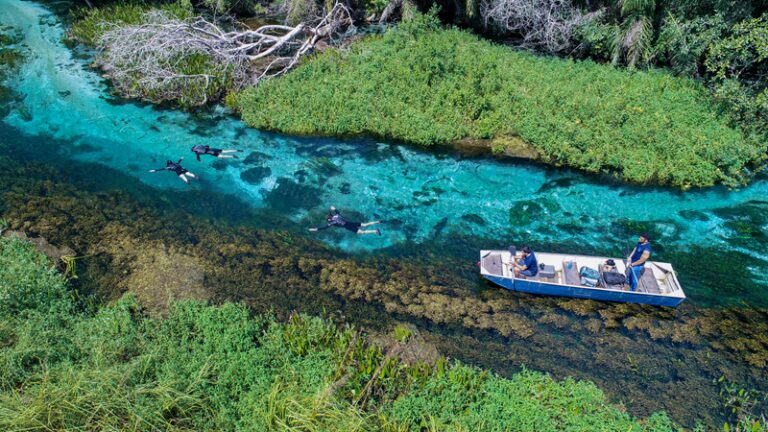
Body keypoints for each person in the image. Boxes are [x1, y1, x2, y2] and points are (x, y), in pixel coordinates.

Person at [308, 206, 382, 235]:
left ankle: (375, 231)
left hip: (348, 227)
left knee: (362, 232)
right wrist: (333, 209)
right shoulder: (336, 216)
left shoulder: (332, 223)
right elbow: (337, 212)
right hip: (350, 223)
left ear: (329, 220)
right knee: (365, 224)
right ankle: (377, 221)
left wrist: (314, 229)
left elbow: (323, 228)